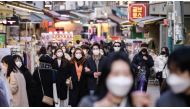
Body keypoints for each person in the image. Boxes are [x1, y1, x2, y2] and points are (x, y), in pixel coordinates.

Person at [79, 52, 150, 107]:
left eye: (126, 74)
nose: (121, 79)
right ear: (106, 77)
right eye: (116, 74)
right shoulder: (88, 103)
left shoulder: (138, 103)